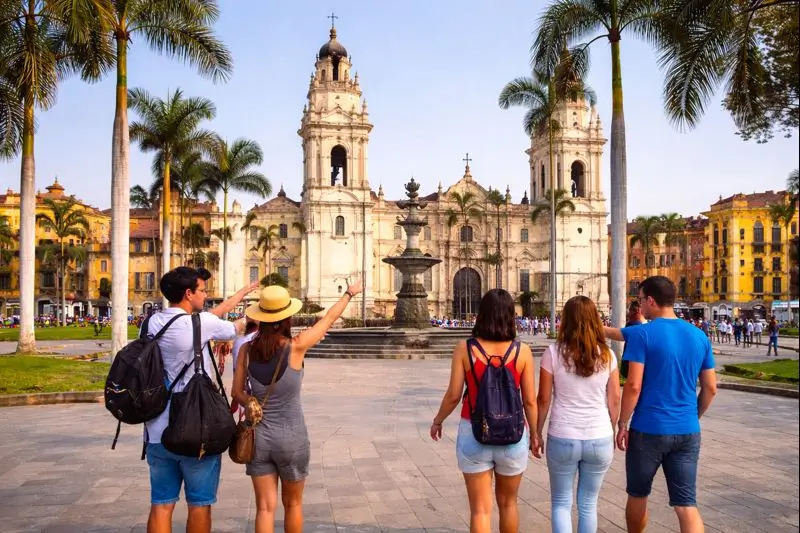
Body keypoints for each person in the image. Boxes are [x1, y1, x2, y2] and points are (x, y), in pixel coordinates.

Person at [232, 279, 363, 533]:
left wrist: (250, 401)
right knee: (293, 505)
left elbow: (236, 392)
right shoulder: (297, 347)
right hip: (292, 438)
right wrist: (349, 293)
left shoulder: (246, 350)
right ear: (286, 319)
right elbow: (328, 319)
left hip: (259, 438)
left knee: (264, 508)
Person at [144, 267, 258, 533]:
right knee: (199, 504)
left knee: (161, 503)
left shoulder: (151, 322)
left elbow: (211, 316)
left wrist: (242, 293)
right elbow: (237, 327)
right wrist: (262, 311)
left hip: (157, 429)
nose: (206, 296)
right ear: (188, 294)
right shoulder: (201, 324)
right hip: (197, 429)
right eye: (202, 290)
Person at [604, 276, 717, 533]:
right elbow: (711, 388)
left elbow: (633, 386)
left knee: (638, 494)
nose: (639, 305)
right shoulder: (699, 336)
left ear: (651, 301)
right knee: (686, 504)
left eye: (641, 300)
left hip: (648, 430)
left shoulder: (644, 334)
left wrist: (622, 423)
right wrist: (693, 415)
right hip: (687, 431)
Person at [429, 289, 538, 533]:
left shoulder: (465, 349)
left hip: (474, 431)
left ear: (482, 314)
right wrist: (537, 435)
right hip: (513, 434)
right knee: (509, 504)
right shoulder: (523, 352)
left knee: (480, 510)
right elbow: (530, 401)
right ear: (510, 315)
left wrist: (438, 420)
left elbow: (454, 395)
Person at [534, 296, 620, 533]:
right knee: (588, 504)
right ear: (595, 320)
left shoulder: (553, 353)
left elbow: (543, 399)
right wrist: (611, 429)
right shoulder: (607, 355)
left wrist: (537, 433)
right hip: (599, 435)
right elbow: (614, 399)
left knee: (561, 502)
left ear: (566, 320)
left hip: (563, 434)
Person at [620, 300, 645, 379]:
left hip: (632, 358)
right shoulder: (631, 324)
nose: (628, 313)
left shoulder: (636, 326)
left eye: (630, 310)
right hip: (630, 357)